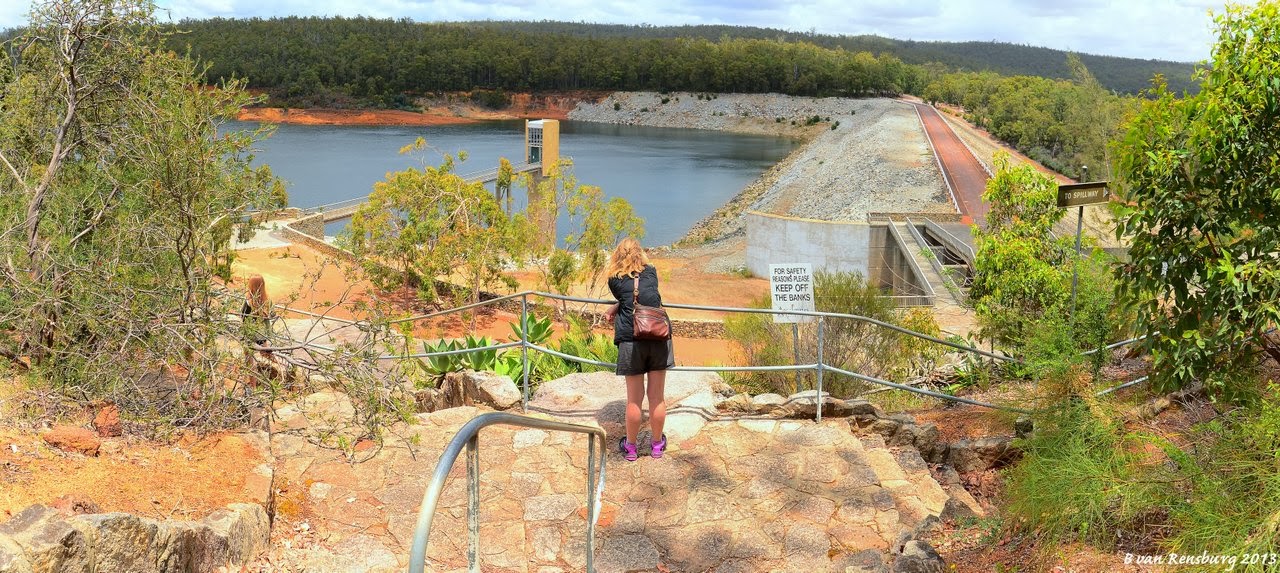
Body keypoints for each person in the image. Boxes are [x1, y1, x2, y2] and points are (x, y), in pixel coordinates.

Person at [603, 238, 674, 462]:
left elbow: (626, 298)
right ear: (640, 253)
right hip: (658, 338)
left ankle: (631, 448)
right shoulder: (651, 272)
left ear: (618, 255)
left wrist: (615, 306)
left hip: (631, 340)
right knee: (656, 397)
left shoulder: (614, 279)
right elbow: (646, 295)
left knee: (634, 400)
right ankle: (656, 446)